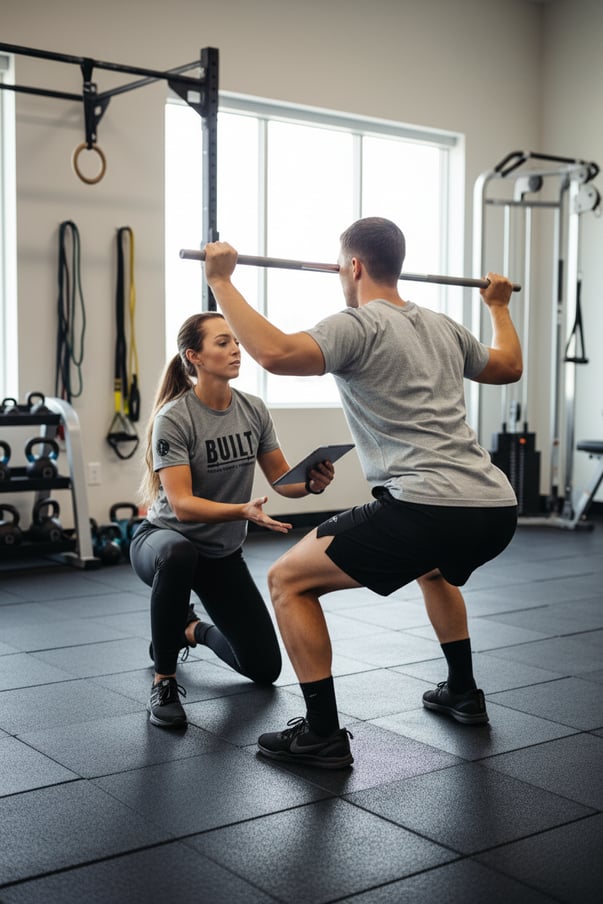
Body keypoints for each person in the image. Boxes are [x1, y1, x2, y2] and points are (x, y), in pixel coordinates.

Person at [202, 216, 523, 769]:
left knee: (287, 581)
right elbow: (509, 366)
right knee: (434, 568)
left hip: (428, 506)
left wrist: (222, 282)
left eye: (340, 266)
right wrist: (498, 307)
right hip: (495, 506)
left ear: (353, 266)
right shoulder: (444, 326)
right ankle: (463, 693)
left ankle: (322, 734)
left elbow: (276, 354)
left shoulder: (358, 324)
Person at [129, 311, 334, 728]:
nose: (236, 349)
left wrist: (311, 484)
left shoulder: (252, 410)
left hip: (220, 554)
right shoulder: (176, 417)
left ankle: (188, 629)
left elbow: (282, 480)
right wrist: (241, 511)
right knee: (179, 551)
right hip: (162, 542)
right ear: (195, 356)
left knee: (263, 668)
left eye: (236, 341)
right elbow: (183, 505)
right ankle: (164, 680)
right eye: (222, 343)